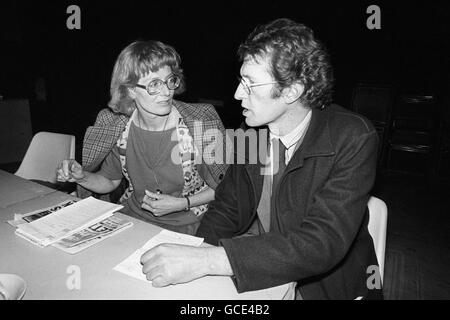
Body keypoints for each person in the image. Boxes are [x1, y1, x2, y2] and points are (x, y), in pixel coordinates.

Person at [139, 18, 382, 300]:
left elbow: (321, 242)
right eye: (241, 80)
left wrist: (208, 261)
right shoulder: (252, 133)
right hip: (268, 272)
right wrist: (195, 253)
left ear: (292, 91)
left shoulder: (352, 137)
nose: (237, 94)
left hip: (328, 290)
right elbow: (228, 209)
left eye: (250, 84)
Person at [56, 40, 228, 235]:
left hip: (190, 223)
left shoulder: (201, 123)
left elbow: (226, 187)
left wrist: (182, 203)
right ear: (130, 90)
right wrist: (82, 177)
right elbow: (109, 182)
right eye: (154, 84)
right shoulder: (118, 127)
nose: (167, 92)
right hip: (132, 218)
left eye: (170, 80)